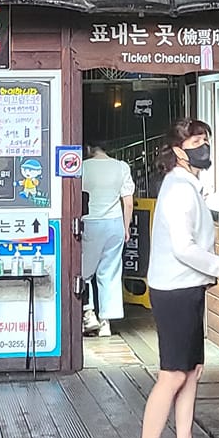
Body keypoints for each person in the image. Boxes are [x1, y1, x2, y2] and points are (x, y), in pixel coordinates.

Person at [128, 118, 219, 438]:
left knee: (191, 371)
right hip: (175, 291)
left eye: (205, 140)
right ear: (178, 151)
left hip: (188, 288)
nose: (204, 148)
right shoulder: (179, 189)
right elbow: (184, 249)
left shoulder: (189, 186)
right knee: (172, 375)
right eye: (196, 142)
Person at [80, 142, 135, 337]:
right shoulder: (121, 167)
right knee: (110, 272)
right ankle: (106, 323)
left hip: (90, 222)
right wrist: (126, 227)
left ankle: (88, 313)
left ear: (89, 148)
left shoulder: (83, 166)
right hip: (115, 224)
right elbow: (128, 203)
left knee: (84, 272)